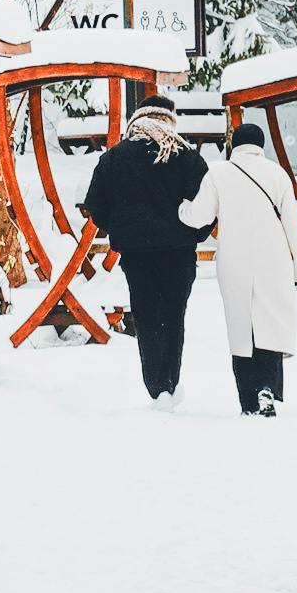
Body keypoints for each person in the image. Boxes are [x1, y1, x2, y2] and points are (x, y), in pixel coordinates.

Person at [79, 93, 207, 401]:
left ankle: (155, 387)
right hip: (178, 252)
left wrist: (121, 229)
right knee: (174, 316)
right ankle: (170, 383)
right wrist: (193, 233)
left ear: (138, 120)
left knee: (147, 317)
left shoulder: (114, 157)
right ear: (169, 121)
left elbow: (96, 207)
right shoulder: (187, 157)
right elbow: (206, 206)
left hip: (136, 255)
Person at [182, 123, 297, 414]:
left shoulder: (218, 173)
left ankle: (248, 399)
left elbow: (198, 217)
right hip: (273, 259)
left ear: (234, 144)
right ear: (261, 145)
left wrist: (182, 208)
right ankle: (268, 388)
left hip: (235, 259)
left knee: (242, 327)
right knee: (270, 323)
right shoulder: (278, 174)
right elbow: (293, 227)